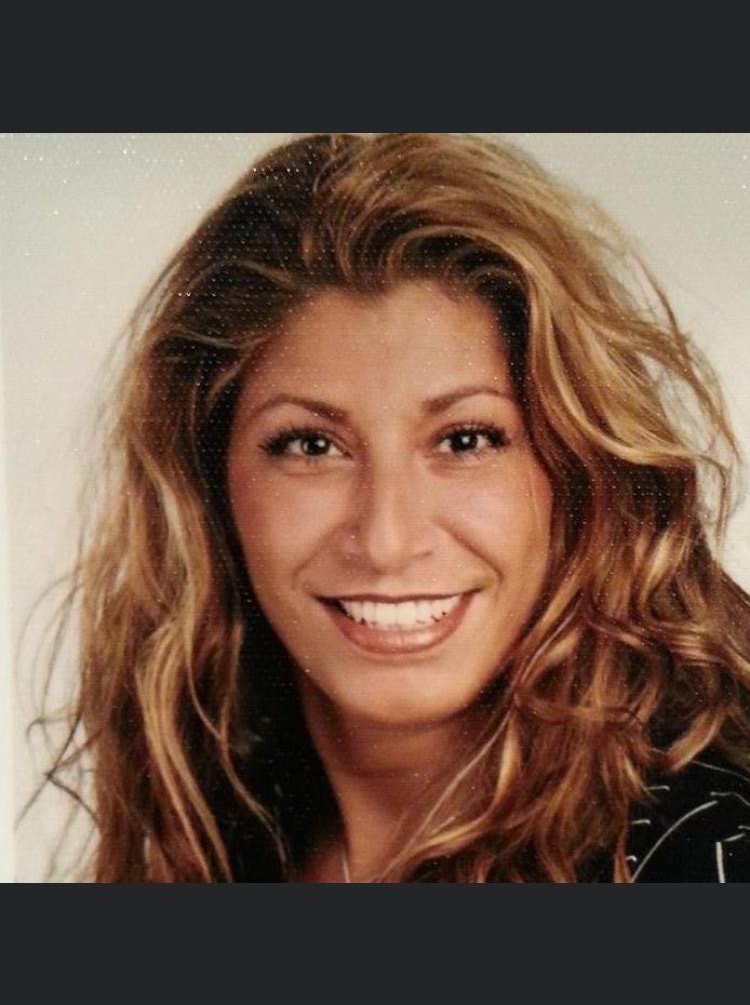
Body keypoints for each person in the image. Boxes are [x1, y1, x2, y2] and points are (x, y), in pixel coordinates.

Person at [35, 132, 750, 882]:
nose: (386, 540)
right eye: (311, 446)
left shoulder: (705, 852)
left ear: (578, 470)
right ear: (208, 482)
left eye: (466, 439)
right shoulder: (207, 845)